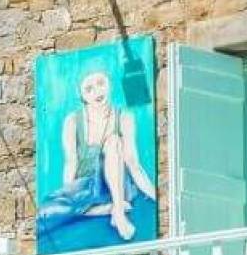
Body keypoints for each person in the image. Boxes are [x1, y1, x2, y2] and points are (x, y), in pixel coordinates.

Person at [37, 66, 158, 242]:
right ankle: (98, 209)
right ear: (82, 95)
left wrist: (156, 196)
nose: (97, 92)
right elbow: (71, 162)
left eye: (101, 83)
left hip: (118, 187)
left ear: (109, 84)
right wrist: (71, 197)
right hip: (87, 188)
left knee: (114, 141)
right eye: (89, 89)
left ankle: (117, 211)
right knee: (48, 212)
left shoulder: (124, 117)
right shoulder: (73, 121)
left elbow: (133, 164)